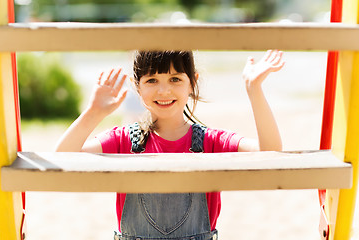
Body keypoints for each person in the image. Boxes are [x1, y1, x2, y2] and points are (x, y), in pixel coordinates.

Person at [55, 50, 284, 240]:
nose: (164, 90)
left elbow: (271, 151)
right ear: (138, 86)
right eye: (152, 80)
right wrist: (94, 113)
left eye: (175, 79)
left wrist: (254, 90)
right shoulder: (124, 139)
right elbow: (61, 157)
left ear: (192, 83)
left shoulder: (210, 141)